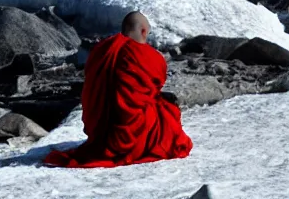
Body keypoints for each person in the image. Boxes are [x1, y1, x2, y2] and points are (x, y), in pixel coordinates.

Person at [43, 11, 193, 168]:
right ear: (143, 31)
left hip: (100, 133)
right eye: (147, 34)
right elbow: (155, 86)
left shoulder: (101, 50)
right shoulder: (148, 55)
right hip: (133, 135)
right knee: (168, 111)